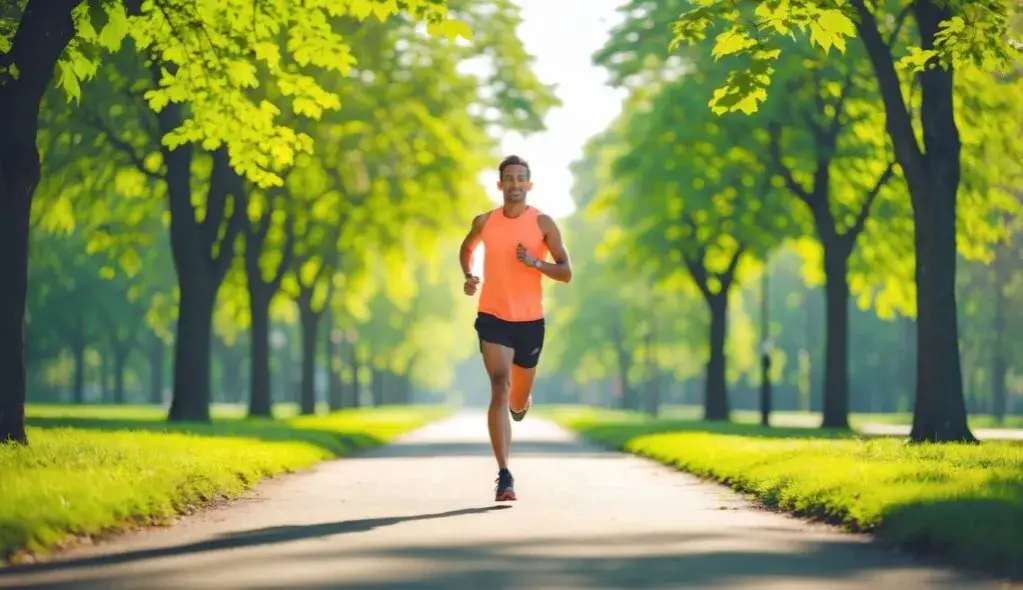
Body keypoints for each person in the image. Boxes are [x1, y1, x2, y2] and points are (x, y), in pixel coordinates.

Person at [458, 155, 573, 501]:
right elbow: (466, 248)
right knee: (499, 385)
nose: (515, 184)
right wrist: (468, 275)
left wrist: (535, 263)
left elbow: (566, 272)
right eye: (509, 178)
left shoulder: (543, 223)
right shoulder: (485, 221)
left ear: (529, 185)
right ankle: (504, 474)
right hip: (493, 316)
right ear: (500, 185)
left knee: (517, 398)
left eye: (521, 178)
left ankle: (520, 407)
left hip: (529, 322)